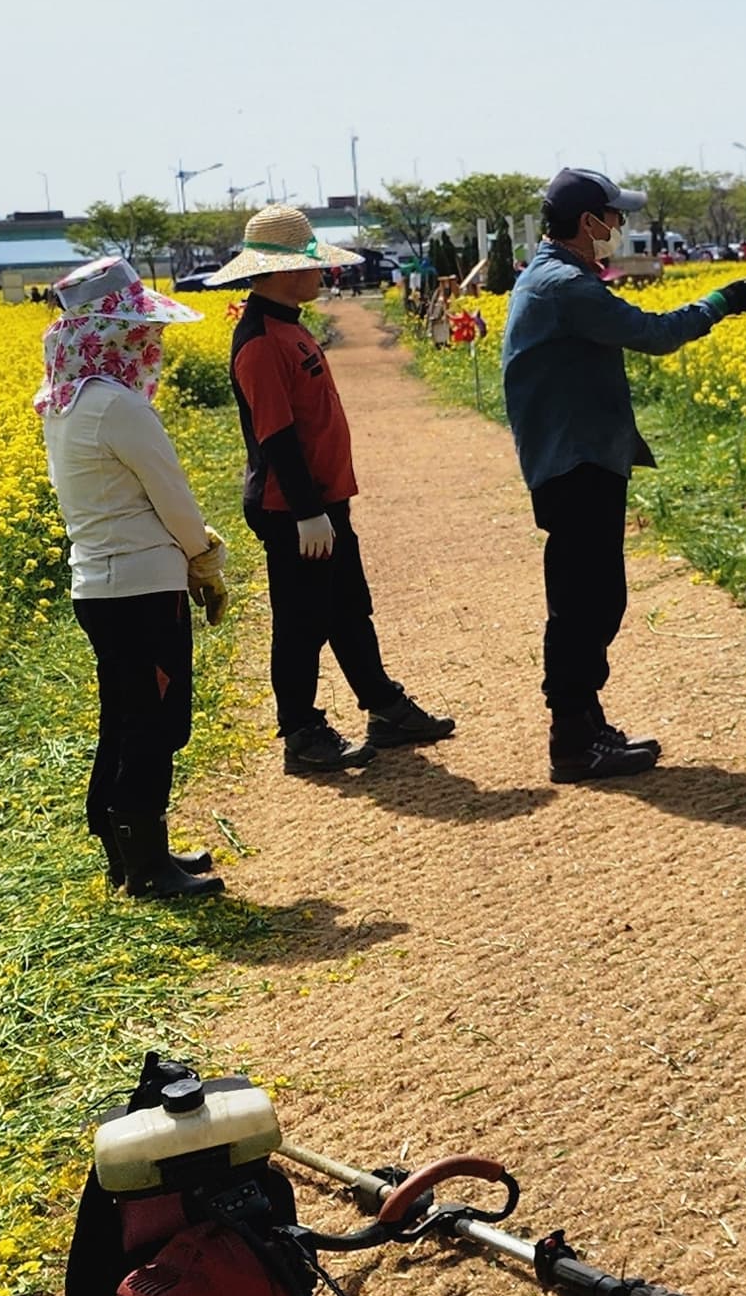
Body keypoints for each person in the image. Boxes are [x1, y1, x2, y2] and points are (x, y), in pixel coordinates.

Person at [498, 168, 746, 781]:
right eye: (614, 217)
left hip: (577, 458)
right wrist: (720, 303)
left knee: (595, 598)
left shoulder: (552, 278)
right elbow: (654, 333)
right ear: (588, 221)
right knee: (582, 602)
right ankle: (572, 739)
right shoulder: (564, 286)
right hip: (575, 465)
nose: (620, 226)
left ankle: (586, 724)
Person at [199, 203, 454, 777]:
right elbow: (277, 436)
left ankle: (384, 707)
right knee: (301, 621)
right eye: (314, 265)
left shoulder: (287, 324)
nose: (323, 274)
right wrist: (309, 514)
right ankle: (301, 732)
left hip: (318, 502)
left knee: (347, 608)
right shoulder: (262, 340)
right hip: (292, 507)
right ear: (285, 270)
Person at [36, 257, 230, 901]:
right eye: (140, 330)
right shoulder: (117, 406)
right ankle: (147, 868)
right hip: (143, 586)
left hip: (98, 585)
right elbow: (174, 501)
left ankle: (129, 852)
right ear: (113, 334)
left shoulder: (61, 403)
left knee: (123, 718)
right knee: (156, 722)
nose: (153, 342)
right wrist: (204, 561)